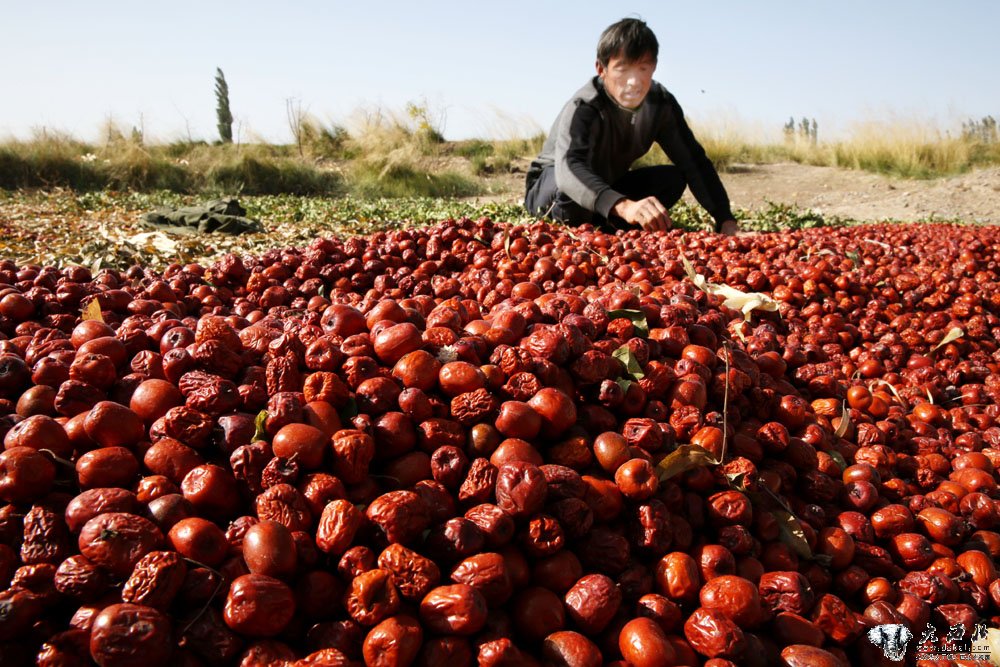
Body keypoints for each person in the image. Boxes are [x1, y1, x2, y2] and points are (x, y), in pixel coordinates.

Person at [524, 18, 740, 235]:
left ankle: (607, 223)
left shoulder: (659, 104)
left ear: (654, 68)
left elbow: (694, 163)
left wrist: (725, 218)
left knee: (672, 179)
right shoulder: (586, 105)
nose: (633, 82)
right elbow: (569, 167)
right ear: (602, 69)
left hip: (607, 185)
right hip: (553, 186)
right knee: (568, 191)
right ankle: (597, 223)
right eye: (622, 69)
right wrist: (625, 206)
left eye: (643, 68)